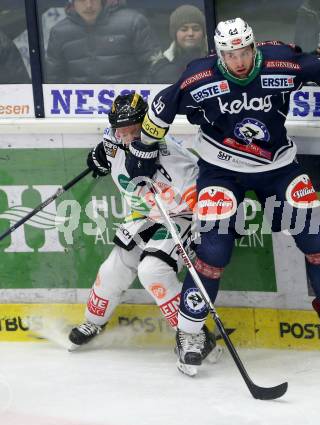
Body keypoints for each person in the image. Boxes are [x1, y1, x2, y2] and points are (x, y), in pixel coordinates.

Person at [125, 18, 320, 376]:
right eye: (231, 55)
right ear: (219, 53)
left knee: (317, 238)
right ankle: (189, 333)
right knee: (214, 250)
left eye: (244, 51)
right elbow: (161, 107)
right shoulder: (199, 77)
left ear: (253, 46)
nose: (240, 61)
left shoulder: (279, 60)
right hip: (221, 168)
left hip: (278, 165)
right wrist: (144, 149)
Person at [68, 92, 222, 365]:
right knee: (112, 269)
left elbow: (199, 195)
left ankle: (194, 335)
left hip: (177, 217)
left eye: (133, 130)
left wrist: (201, 230)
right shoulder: (113, 141)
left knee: (153, 271)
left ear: (147, 125)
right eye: (120, 130)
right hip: (142, 215)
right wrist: (97, 156)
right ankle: (94, 322)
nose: (126, 136)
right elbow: (107, 150)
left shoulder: (171, 155)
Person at [45, 0, 162, 83]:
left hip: (129, 106)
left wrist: (139, 94)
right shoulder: (59, 32)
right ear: (72, 2)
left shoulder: (133, 22)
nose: (89, 5)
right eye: (81, 0)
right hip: (81, 109)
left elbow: (155, 66)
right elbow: (54, 77)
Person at [151, 4, 208, 83]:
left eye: (196, 29)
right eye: (184, 29)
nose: (190, 33)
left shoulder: (216, 61)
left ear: (203, 33)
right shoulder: (161, 66)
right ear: (175, 34)